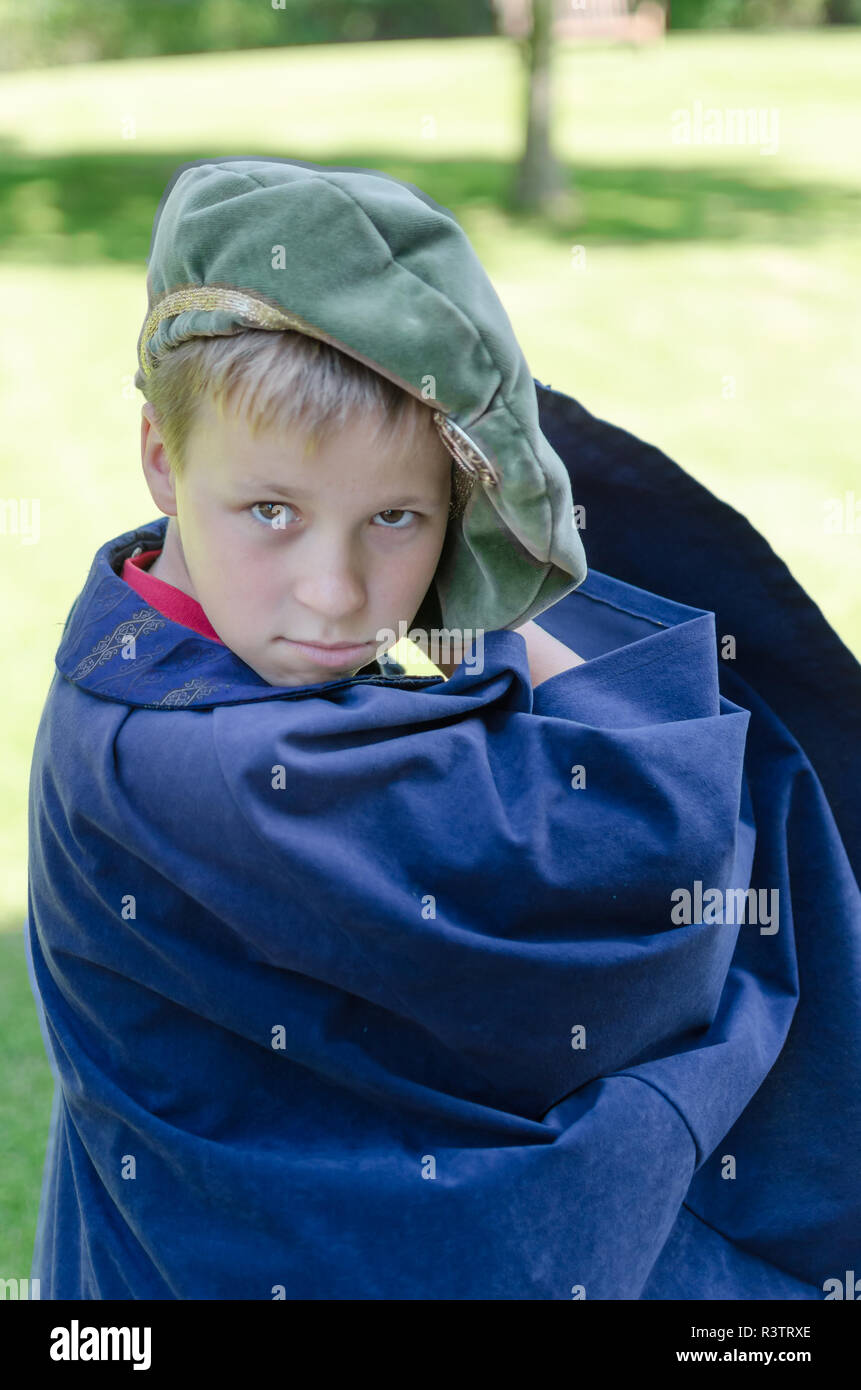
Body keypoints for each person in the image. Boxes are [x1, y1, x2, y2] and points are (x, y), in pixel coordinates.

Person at [25, 156, 859, 1300]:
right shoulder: (205, 760)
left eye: (398, 517)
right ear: (163, 461)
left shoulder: (142, 623)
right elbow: (644, 851)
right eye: (272, 511)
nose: (333, 590)